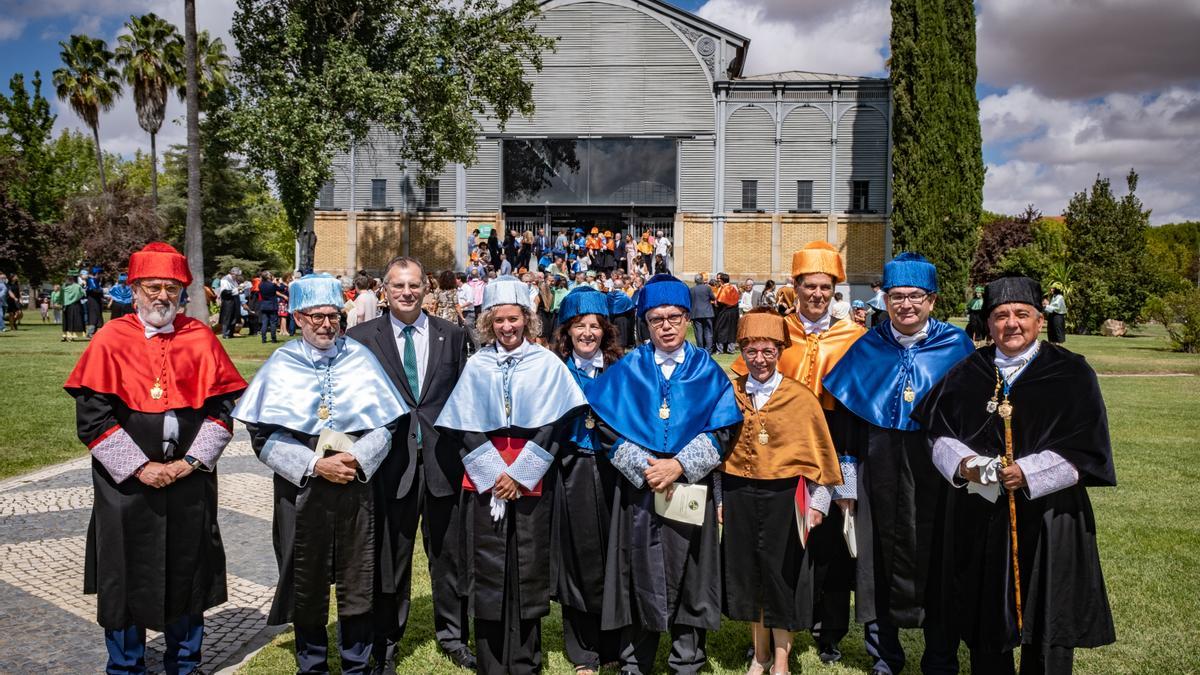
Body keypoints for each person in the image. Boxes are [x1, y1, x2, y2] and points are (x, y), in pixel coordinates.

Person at [913, 276, 1116, 674]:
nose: (1011, 324)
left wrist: (1029, 472)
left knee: (1048, 615)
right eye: (1001, 316)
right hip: (981, 517)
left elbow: (1086, 447)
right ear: (987, 324)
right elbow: (936, 433)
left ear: (1040, 319)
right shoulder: (967, 371)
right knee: (984, 613)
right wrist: (965, 464)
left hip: (1050, 516)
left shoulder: (1071, 373)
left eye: (1022, 314)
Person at [64, 242, 247, 675]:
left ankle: (185, 665)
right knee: (125, 574)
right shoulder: (110, 339)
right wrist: (142, 468)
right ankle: (125, 667)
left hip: (189, 480)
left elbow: (223, 413)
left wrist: (189, 464)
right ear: (134, 289)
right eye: (152, 287)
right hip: (125, 486)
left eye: (171, 287)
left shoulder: (200, 338)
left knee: (187, 572)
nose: (162, 296)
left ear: (183, 291)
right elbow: (92, 419)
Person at [234, 273, 409, 674]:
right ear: (298, 317)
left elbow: (387, 424)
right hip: (301, 490)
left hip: (354, 485)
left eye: (332, 316)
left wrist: (356, 460)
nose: (326, 325)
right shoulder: (282, 362)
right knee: (305, 577)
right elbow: (261, 435)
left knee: (358, 576)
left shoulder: (359, 358)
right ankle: (311, 664)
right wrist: (314, 464)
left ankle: (356, 662)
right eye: (316, 317)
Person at [822, 253, 976, 674]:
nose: (905, 305)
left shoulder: (957, 347)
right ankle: (884, 657)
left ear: (933, 300)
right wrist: (847, 486)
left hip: (939, 475)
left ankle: (940, 658)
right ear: (884, 299)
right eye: (896, 297)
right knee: (874, 563)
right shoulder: (867, 348)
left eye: (915, 297)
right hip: (878, 470)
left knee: (939, 559)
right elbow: (849, 426)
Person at [587, 274, 743, 675]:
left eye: (674, 316)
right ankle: (634, 661)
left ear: (688, 318)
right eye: (656, 319)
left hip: (689, 487)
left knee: (691, 571)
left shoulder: (706, 369)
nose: (667, 325)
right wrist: (647, 468)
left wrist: (678, 465)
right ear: (645, 323)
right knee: (637, 567)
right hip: (641, 491)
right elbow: (606, 427)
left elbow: (724, 428)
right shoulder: (630, 369)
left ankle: (687, 660)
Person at [435, 275, 587, 675]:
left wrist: (520, 474)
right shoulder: (477, 363)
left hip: (530, 478)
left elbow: (553, 426)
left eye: (514, 319)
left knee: (529, 568)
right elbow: (462, 426)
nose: (507, 327)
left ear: (527, 320)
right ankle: (491, 661)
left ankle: (525, 661)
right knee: (486, 568)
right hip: (485, 477)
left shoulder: (547, 364)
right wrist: (493, 472)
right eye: (499, 320)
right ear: (489, 322)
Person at [729, 241, 866, 665]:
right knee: (783, 548)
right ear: (796, 285)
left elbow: (857, 411)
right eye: (809, 286)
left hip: (835, 441)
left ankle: (828, 634)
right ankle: (768, 636)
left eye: (826, 287)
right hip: (780, 449)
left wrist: (845, 473)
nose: (817, 294)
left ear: (835, 289)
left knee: (831, 550)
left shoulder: (854, 337)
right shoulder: (775, 331)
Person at [344, 258, 476, 672]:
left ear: (426, 289)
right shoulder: (362, 337)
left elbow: (463, 397)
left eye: (414, 285)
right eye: (398, 285)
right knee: (390, 557)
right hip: (390, 463)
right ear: (384, 289)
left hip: (443, 462)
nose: (406, 292)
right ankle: (385, 639)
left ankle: (453, 636)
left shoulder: (452, 335)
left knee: (449, 555)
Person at [719, 309, 843, 675]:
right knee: (750, 576)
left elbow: (821, 457)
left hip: (787, 499)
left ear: (780, 351)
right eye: (751, 351)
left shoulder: (800, 398)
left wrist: (818, 504)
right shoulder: (731, 392)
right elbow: (719, 450)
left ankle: (782, 660)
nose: (759, 359)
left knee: (781, 575)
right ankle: (760, 655)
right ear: (742, 350)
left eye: (768, 351)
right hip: (740, 494)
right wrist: (720, 498)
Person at [549, 287, 624, 674]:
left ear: (605, 331)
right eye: (580, 326)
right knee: (577, 558)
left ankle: (614, 643)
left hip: (614, 470)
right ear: (567, 330)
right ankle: (583, 651)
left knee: (615, 552)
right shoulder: (553, 369)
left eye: (595, 326)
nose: (588, 333)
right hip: (571, 468)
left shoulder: (620, 369)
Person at [713, 273, 741, 353]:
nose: (718, 280)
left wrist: (716, 303)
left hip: (724, 311)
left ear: (721, 280)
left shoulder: (724, 289)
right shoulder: (733, 288)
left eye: (719, 279)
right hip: (734, 312)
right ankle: (730, 349)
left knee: (721, 329)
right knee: (732, 330)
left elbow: (720, 301)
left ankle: (720, 349)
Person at [54, 273, 87, 341]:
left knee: (66, 321)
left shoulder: (63, 287)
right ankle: (71, 336)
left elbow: (60, 296)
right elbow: (83, 294)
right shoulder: (77, 286)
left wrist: (59, 302)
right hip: (75, 305)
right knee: (73, 321)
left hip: (66, 306)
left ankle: (66, 335)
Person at [217, 267, 242, 338]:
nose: (237, 277)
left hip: (234, 300)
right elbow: (225, 292)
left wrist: (239, 290)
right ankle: (225, 334)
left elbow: (235, 290)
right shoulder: (225, 280)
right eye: (236, 275)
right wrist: (237, 289)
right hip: (228, 301)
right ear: (232, 273)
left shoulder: (233, 280)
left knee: (234, 317)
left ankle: (231, 333)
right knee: (227, 318)